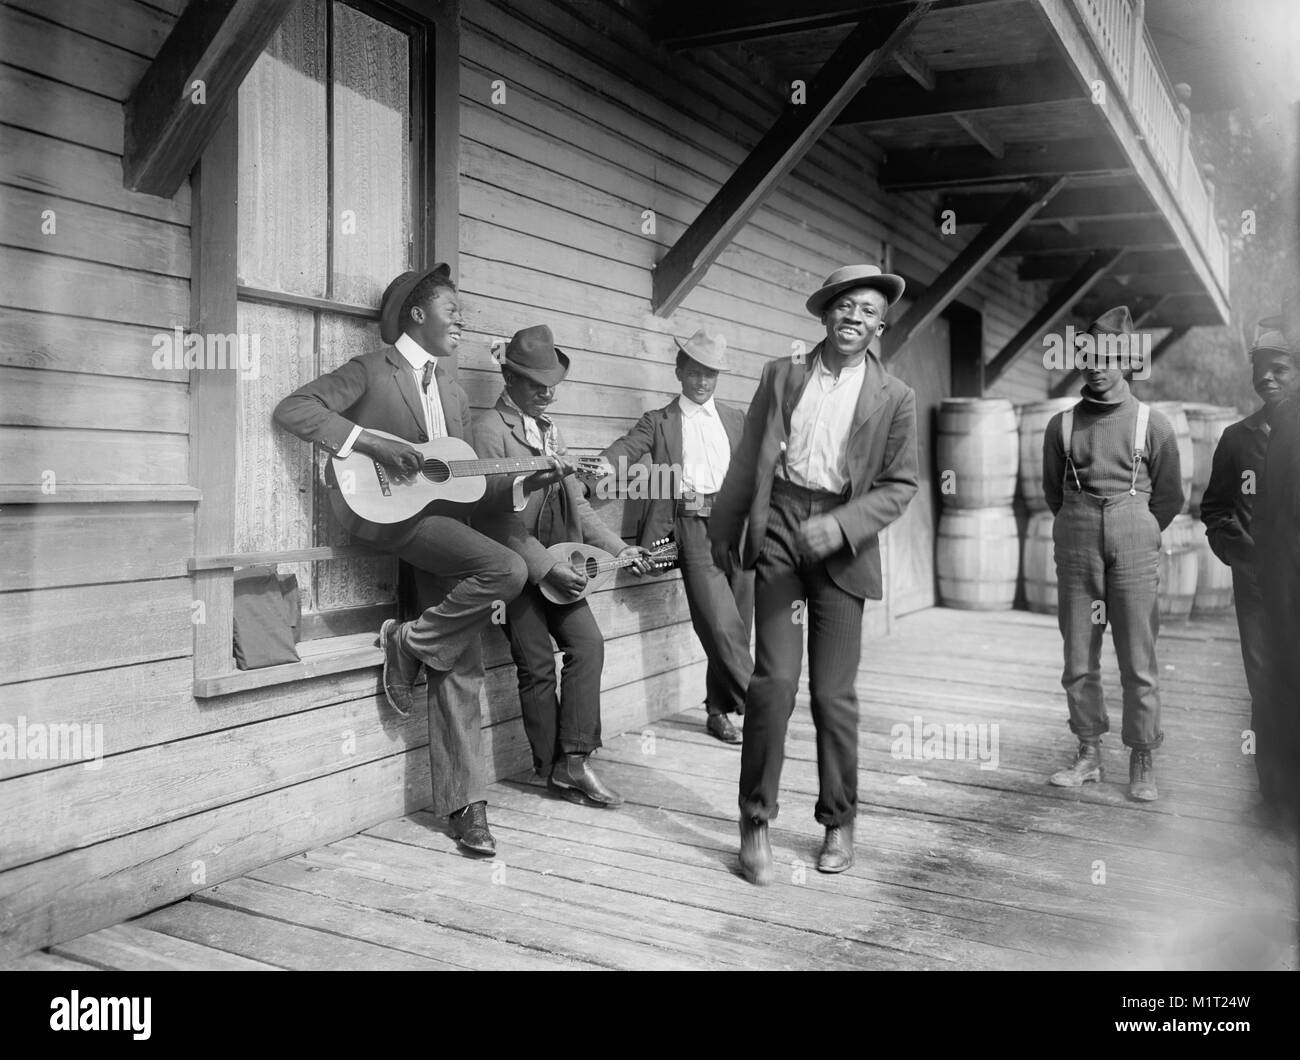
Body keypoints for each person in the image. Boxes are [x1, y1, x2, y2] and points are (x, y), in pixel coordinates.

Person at [273, 264, 528, 857]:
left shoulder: (456, 391)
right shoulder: (372, 369)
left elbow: (464, 483)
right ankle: (408, 644)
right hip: (383, 515)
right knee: (507, 571)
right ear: (418, 314)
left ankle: (466, 807)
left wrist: (531, 478)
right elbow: (294, 409)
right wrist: (373, 442)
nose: (461, 319)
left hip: (440, 526)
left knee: (461, 658)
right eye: (451, 308)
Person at [709, 264, 919, 885]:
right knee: (773, 682)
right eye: (845, 306)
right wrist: (724, 534)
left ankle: (838, 821)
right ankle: (754, 821)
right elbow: (750, 458)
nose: (855, 318)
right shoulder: (784, 374)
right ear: (825, 312)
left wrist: (846, 523)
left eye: (869, 312)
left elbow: (901, 484)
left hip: (843, 544)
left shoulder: (895, 397)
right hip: (779, 524)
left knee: (833, 694)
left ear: (880, 325)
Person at [472, 325, 651, 807]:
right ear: (508, 378)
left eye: (551, 382)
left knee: (587, 646)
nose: (546, 393)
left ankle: (574, 760)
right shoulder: (488, 432)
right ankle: (554, 769)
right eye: (535, 383)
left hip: (560, 564)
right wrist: (545, 565)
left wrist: (619, 549)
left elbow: (578, 501)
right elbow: (491, 516)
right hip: (515, 567)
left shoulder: (550, 431)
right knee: (535, 667)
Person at [1042, 306, 1183, 802]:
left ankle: (1142, 755)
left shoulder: (1153, 424)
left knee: (1138, 659)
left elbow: (1170, 498)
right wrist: (1085, 525)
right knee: (1078, 655)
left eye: (1108, 356)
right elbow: (1052, 494)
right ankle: (1087, 752)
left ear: (1127, 361)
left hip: (1134, 541)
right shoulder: (1061, 426)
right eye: (1087, 355)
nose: (1096, 366)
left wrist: (1136, 529)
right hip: (1076, 539)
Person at [595, 328, 754, 744]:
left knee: (738, 621)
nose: (702, 382)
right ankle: (763, 703)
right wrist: (602, 468)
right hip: (691, 526)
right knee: (719, 625)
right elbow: (626, 448)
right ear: (679, 371)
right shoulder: (659, 421)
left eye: (711, 374)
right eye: (695, 372)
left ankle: (719, 711)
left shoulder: (736, 418)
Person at [1201, 325, 1299, 811]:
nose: (1270, 380)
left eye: (1280, 370)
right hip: (1259, 587)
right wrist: (1241, 554)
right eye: (1262, 373)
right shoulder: (1237, 438)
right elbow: (1215, 509)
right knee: (1264, 682)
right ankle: (1273, 795)